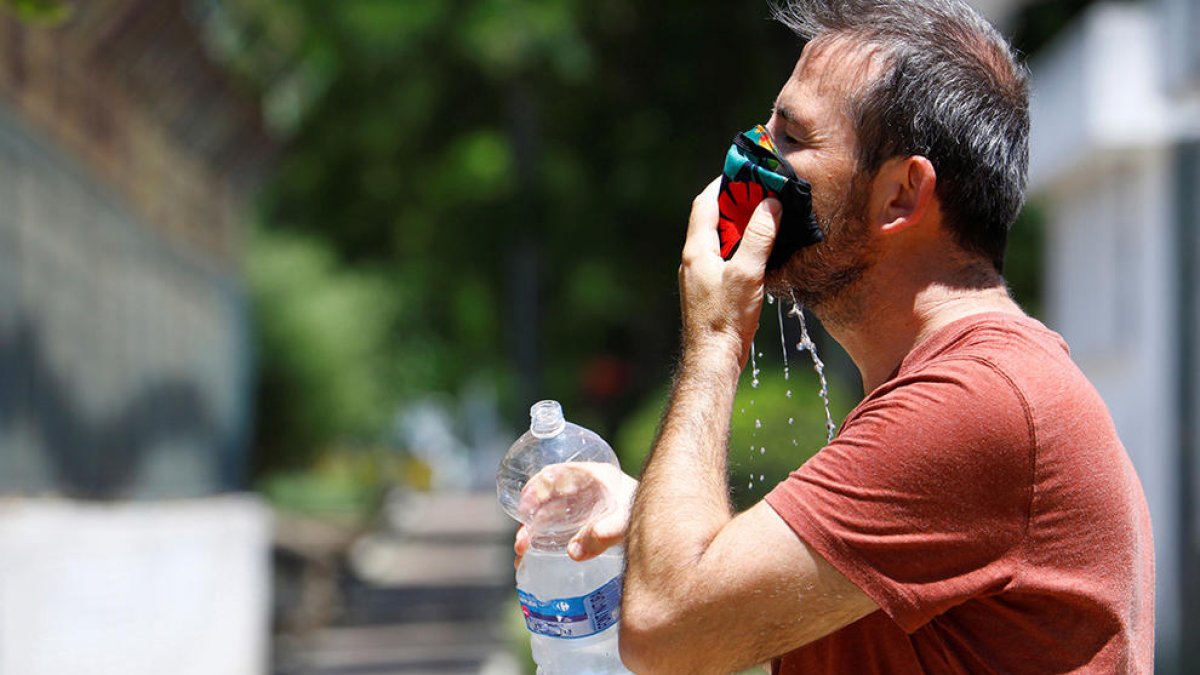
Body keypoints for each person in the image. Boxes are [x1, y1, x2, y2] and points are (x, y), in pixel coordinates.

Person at [514, 0, 1155, 672]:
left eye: (791, 138)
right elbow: (725, 588)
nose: (750, 156)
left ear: (902, 195)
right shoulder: (956, 387)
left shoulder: (980, 402)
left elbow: (670, 631)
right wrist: (650, 516)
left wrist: (716, 337)